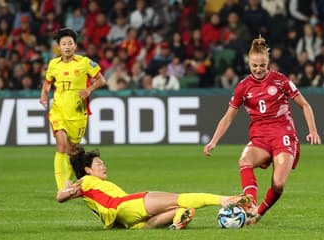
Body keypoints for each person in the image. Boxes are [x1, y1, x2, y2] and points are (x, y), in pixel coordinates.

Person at [203, 35, 321, 225]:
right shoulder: (243, 86)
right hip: (260, 138)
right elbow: (228, 117)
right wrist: (213, 141)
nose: (258, 70)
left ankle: (258, 213)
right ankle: (250, 205)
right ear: (249, 63)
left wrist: (312, 130)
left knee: (278, 184)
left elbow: (305, 105)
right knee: (244, 160)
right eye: (254, 66)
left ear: (268, 64)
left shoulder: (281, 80)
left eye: (262, 66)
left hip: (284, 136)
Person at [56, 146, 251, 230]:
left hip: (125, 222)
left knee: (177, 210)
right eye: (99, 164)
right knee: (177, 198)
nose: (104, 166)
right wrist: (70, 190)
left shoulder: (93, 185)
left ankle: (178, 220)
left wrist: (71, 190)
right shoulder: (86, 181)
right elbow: (60, 197)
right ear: (88, 169)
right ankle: (223, 200)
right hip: (126, 205)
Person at [39, 28, 106, 191]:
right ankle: (62, 187)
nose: (67, 46)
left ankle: (76, 180)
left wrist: (89, 89)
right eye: (63, 44)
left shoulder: (84, 63)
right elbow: (48, 82)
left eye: (70, 43)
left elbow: (101, 80)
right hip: (58, 110)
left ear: (75, 46)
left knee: (72, 150)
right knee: (61, 144)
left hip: (77, 113)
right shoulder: (54, 64)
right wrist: (44, 96)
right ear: (59, 47)